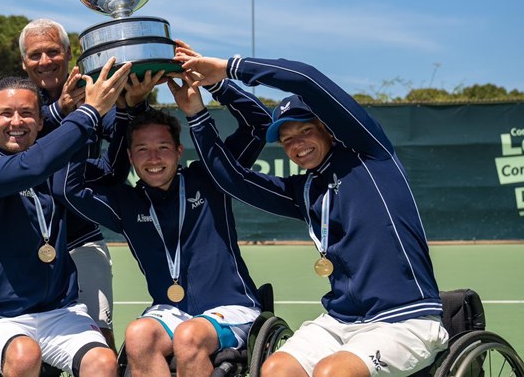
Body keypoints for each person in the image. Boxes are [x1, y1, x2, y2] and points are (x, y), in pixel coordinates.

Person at [176, 53, 449, 377]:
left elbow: (306, 78)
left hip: (404, 320)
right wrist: (195, 113)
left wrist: (225, 74)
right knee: (275, 368)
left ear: (327, 130)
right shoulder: (305, 191)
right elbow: (233, 179)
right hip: (340, 322)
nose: (297, 144)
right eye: (287, 140)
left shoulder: (370, 154)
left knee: (332, 373)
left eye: (305, 131)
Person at [53, 69, 272, 377]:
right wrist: (86, 117)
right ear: (130, 157)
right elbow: (67, 188)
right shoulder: (125, 203)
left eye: (162, 148)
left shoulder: (211, 179)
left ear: (179, 151)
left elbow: (261, 124)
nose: (153, 158)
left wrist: (214, 86)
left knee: (189, 336)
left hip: (231, 309)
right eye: (142, 150)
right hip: (170, 312)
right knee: (138, 335)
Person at [0, 57, 130, 377]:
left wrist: (130, 107)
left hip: (60, 311)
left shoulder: (57, 171)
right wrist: (88, 113)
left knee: (103, 363)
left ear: (39, 122)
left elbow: (109, 173)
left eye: (26, 114)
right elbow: (29, 167)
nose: (16, 121)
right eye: (5, 114)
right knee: (24, 355)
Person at [18, 18, 159, 351]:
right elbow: (6, 143)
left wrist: (133, 106)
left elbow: (126, 139)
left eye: (53, 51)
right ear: (24, 63)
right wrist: (59, 112)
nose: (45, 61)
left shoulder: (97, 91)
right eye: (35, 55)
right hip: (25, 243)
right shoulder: (19, 99)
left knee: (100, 340)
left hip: (83, 239)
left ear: (70, 54)